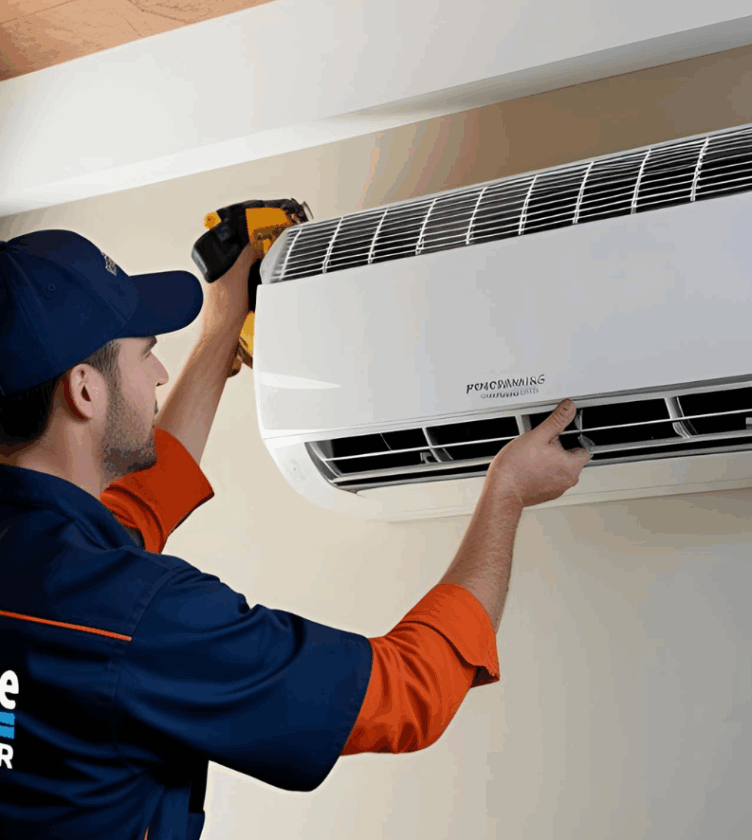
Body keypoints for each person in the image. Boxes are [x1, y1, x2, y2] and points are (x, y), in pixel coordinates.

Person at [0, 229, 591, 839]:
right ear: (84, 390)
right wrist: (507, 494)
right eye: (144, 351)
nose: (158, 372)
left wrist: (223, 326)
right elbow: (408, 692)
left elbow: (141, 506)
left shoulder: (54, 565)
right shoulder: (138, 618)